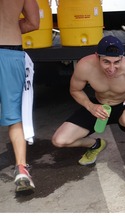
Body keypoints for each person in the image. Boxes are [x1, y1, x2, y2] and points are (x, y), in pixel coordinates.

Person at [51, 35, 125, 207]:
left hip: (122, 107)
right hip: (98, 106)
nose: (112, 68)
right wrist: (90, 106)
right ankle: (95, 145)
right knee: (59, 140)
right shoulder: (85, 66)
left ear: (122, 58)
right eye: (106, 62)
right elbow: (75, 90)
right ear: (97, 56)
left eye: (116, 62)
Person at [0, 0, 40, 192]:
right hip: (11, 52)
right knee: (15, 118)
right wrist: (10, 24)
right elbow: (33, 23)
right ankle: (22, 169)